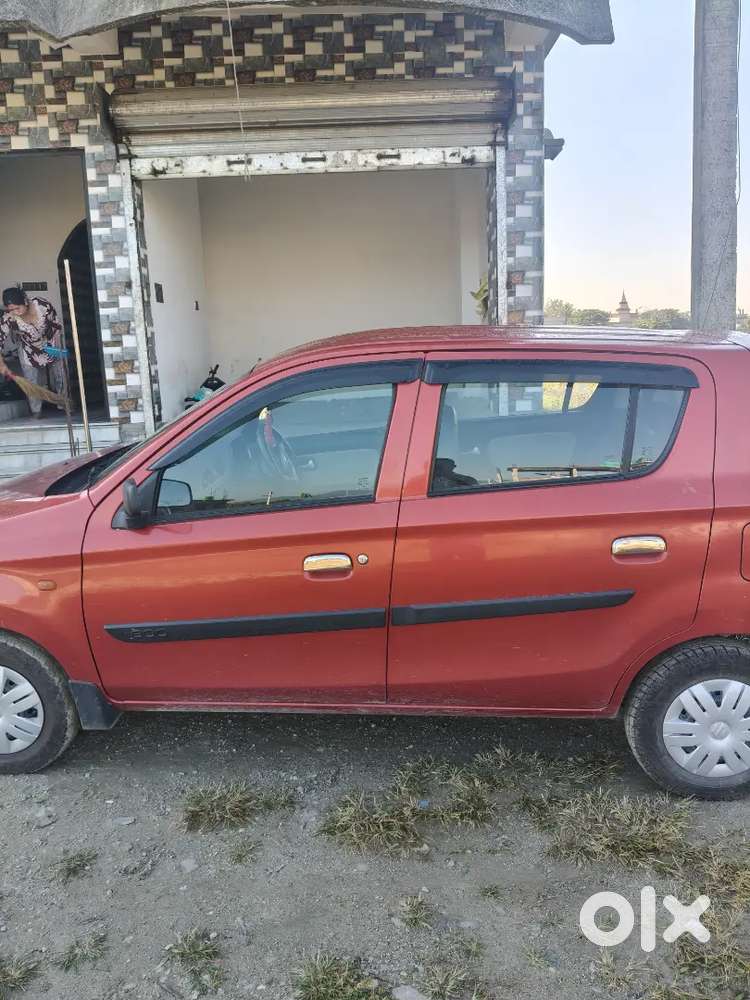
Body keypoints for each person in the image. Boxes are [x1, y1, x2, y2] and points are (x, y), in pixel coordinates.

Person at [0, 287, 65, 417]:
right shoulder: (9, 317)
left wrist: (55, 348)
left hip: (51, 341)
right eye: (11, 309)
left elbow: (56, 326)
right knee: (31, 379)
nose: (15, 312)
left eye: (17, 308)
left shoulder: (42, 305)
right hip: (28, 348)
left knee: (61, 374)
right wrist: (1, 364)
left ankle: (64, 403)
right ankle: (36, 411)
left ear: (25, 301)